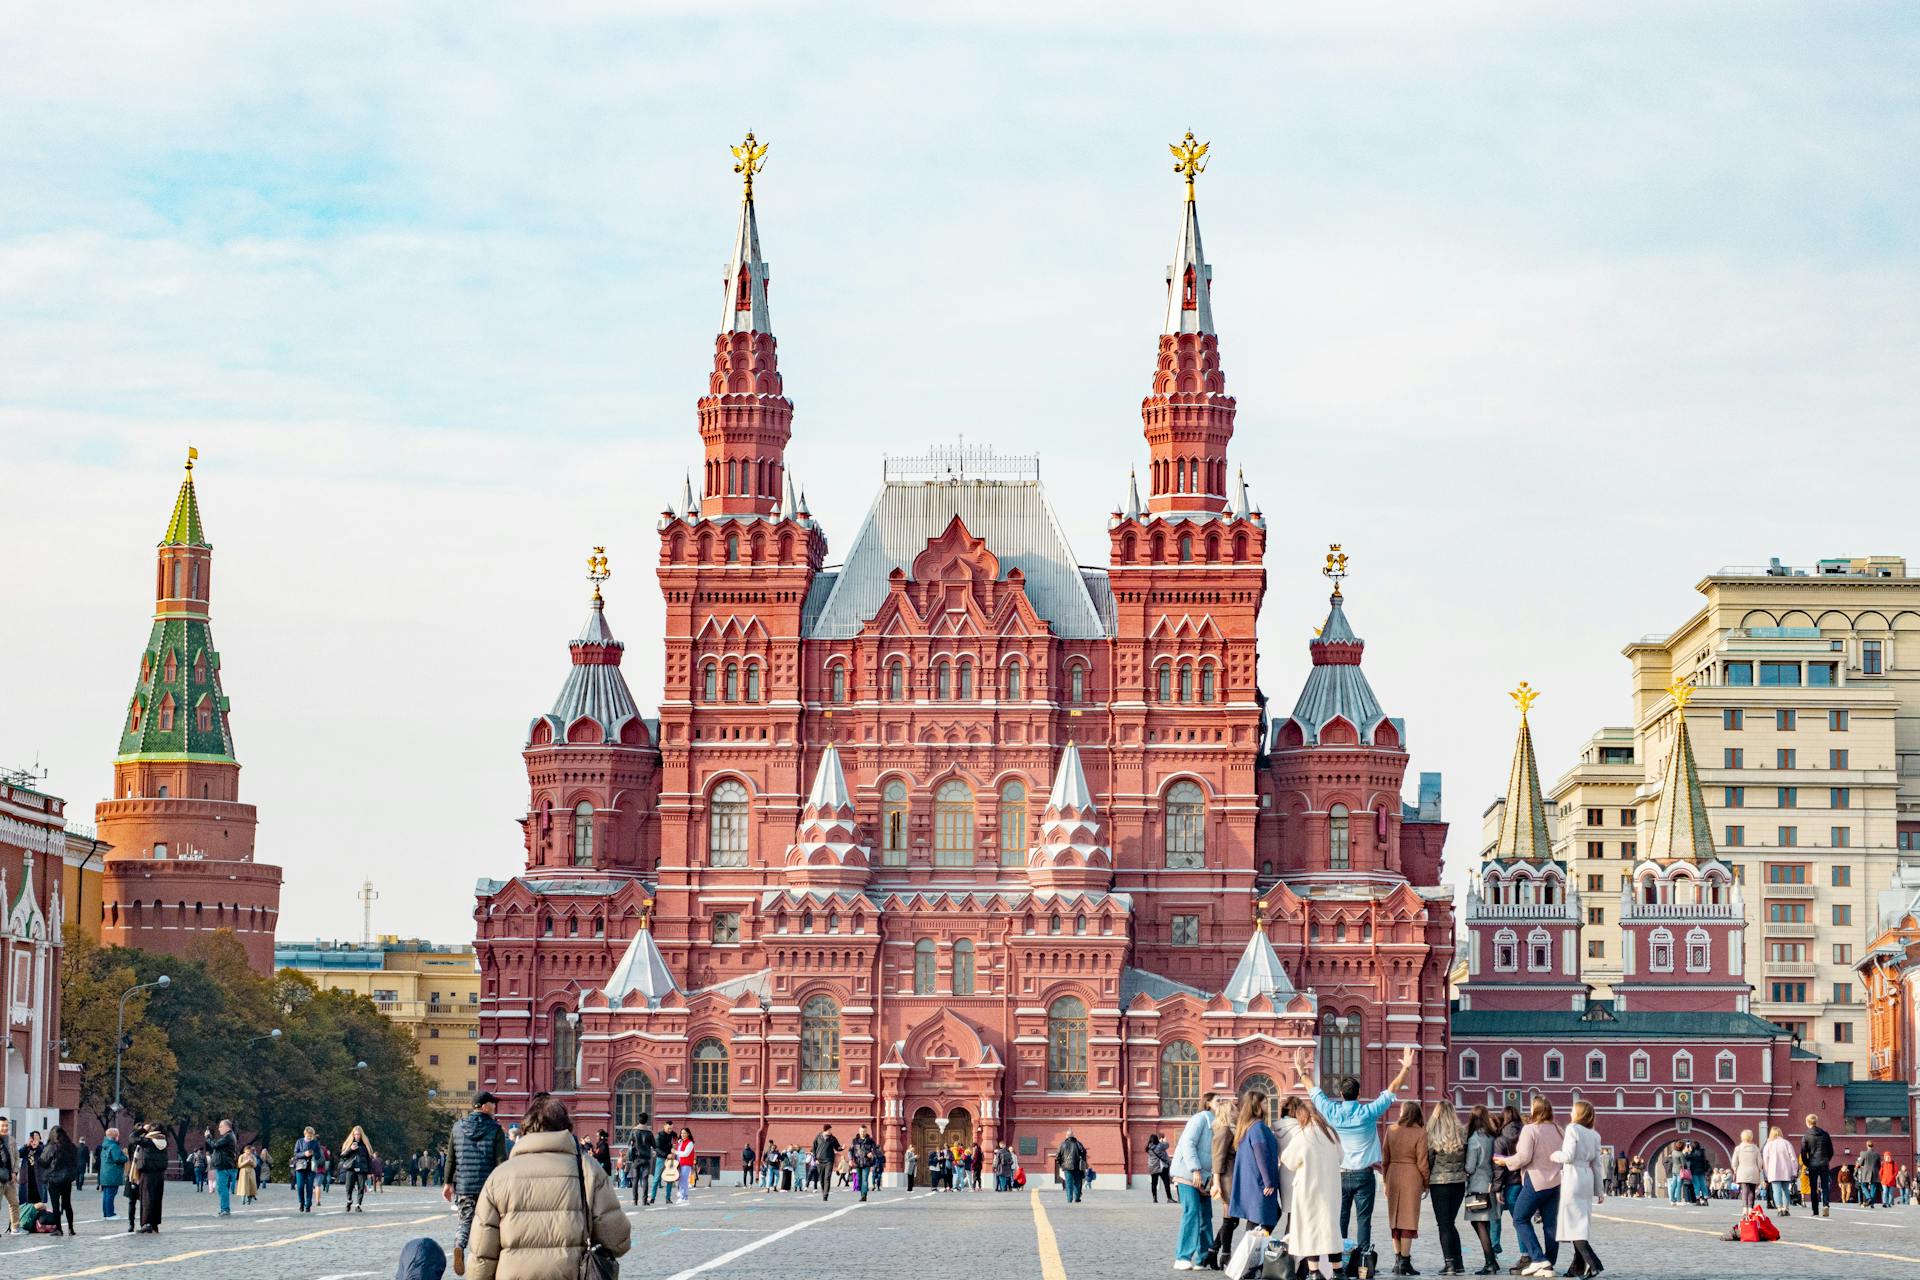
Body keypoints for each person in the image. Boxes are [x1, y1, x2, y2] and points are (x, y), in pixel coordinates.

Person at [465, 1096, 631, 1280]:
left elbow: (481, 1254)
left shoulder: (499, 1176)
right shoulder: (588, 1170)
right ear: (567, 1128)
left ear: (526, 1129)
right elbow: (618, 1240)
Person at [1298, 1043, 1418, 1276]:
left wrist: (1302, 1070)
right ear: (1359, 1094)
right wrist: (1406, 1069)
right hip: (1364, 1175)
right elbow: (1392, 1090)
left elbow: (1313, 1091)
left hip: (1339, 1175)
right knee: (1364, 1221)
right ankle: (1363, 1264)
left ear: (1341, 1095)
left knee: (1339, 1220)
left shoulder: (1331, 1112)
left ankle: (1338, 1264)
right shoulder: (1368, 1112)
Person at [1493, 1098, 1563, 1279]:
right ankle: (1549, 1263)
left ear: (1536, 1110)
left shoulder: (1530, 1129)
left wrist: (1504, 1161)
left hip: (1536, 1181)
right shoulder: (1558, 1129)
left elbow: (1523, 1157)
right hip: (1556, 1183)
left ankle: (1538, 1258)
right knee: (1550, 1224)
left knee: (1520, 1218)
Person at [1280, 1093, 1344, 1280]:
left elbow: (1289, 1160)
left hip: (1307, 1190)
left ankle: (1314, 1271)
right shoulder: (1330, 1132)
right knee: (1330, 1229)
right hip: (1330, 1190)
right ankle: (1338, 1271)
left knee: (1310, 1230)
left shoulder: (1304, 1135)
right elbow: (1341, 1157)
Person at [445, 1092, 510, 1276]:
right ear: (483, 1107)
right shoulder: (495, 1129)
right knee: (487, 1223)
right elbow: (500, 1160)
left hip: (464, 1184)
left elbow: (451, 1158)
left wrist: (447, 1183)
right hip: (488, 1187)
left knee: (465, 1220)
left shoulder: (457, 1127)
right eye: (492, 1103)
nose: (495, 1107)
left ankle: (459, 1245)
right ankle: (481, 1258)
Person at [1549, 1101, 1605, 1279]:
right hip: (1586, 1178)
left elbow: (1568, 1156)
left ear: (1579, 1113)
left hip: (1573, 1176)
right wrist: (1600, 1191)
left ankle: (1593, 1263)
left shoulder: (1573, 1129)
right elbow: (1597, 1165)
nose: (1570, 1112)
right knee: (1580, 1221)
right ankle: (1576, 1267)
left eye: (1573, 1110)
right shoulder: (1594, 1135)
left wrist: (1554, 1155)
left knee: (1574, 1224)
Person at [1229, 1089, 1285, 1264]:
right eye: (1265, 1102)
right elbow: (1261, 1154)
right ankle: (1248, 1260)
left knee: (1256, 1221)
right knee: (1261, 1219)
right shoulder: (1259, 1127)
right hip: (1260, 1182)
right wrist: (1268, 1181)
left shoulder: (1248, 1126)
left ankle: (1249, 1259)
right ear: (1257, 1105)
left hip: (1252, 1181)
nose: (1268, 1105)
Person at [1170, 1091, 1217, 1271]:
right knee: (1192, 1212)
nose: (1221, 1103)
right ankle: (1182, 1256)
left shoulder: (1217, 1123)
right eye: (1217, 1101)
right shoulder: (1199, 1119)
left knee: (1206, 1216)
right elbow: (1188, 1143)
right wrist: (1195, 1169)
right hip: (1188, 1174)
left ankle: (1202, 1258)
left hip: (1204, 1178)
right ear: (1208, 1104)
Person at [1382, 1102, 1430, 1276]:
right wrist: (1426, 1183)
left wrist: (1385, 1180)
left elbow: (1385, 1157)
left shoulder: (1391, 1130)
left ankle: (1397, 1260)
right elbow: (1422, 1162)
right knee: (1409, 1220)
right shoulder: (1421, 1132)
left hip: (1393, 1173)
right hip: (1412, 1175)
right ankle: (1405, 1261)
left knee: (1395, 1219)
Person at [1426, 1103, 1468, 1277]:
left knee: (1444, 1225)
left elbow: (1428, 1160)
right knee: (1450, 1223)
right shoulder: (1462, 1132)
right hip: (1458, 1182)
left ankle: (1449, 1263)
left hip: (1439, 1182)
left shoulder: (1432, 1134)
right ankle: (1458, 1263)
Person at [1462, 1106, 1500, 1276]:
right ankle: (1492, 1260)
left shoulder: (1475, 1138)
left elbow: (1470, 1167)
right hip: (1491, 1183)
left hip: (1478, 1184)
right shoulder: (1493, 1137)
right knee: (1483, 1222)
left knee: (1479, 1222)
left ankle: (1490, 1262)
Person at [1209, 1092, 1241, 1269]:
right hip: (1226, 1178)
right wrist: (1217, 1183)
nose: (1237, 1110)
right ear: (1228, 1112)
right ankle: (1224, 1255)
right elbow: (1217, 1158)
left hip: (1231, 1176)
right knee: (1230, 1219)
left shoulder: (1230, 1128)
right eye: (1234, 1108)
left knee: (1232, 1219)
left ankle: (1213, 1252)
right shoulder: (1223, 1130)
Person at [1489, 1106, 1523, 1260]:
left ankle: (1493, 1250)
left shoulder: (1500, 1139)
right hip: (1521, 1184)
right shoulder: (1526, 1134)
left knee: (1495, 1218)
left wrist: (1496, 1188)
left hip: (1504, 1185)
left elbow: (1498, 1167)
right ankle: (1525, 1253)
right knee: (1521, 1222)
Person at [37, 1126, 79, 1235]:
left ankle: (59, 1229)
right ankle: (71, 1228)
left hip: (53, 1179)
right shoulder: (71, 1146)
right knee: (67, 1203)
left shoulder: (51, 1147)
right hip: (66, 1179)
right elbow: (75, 1162)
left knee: (55, 1205)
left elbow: (43, 1162)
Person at [131, 1124, 168, 1232]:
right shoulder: (163, 1142)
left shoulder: (148, 1142)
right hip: (160, 1174)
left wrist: (142, 1129)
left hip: (147, 1173)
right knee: (157, 1199)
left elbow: (132, 1138)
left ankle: (146, 1223)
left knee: (146, 1199)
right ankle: (155, 1223)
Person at [203, 1119, 239, 1217]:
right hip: (225, 1165)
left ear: (226, 1127)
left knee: (222, 1188)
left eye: (220, 1127)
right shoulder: (230, 1136)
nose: (219, 1129)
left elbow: (215, 1145)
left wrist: (208, 1137)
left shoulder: (228, 1136)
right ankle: (224, 1208)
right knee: (222, 1188)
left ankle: (225, 1209)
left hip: (223, 1166)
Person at [1800, 1114, 1833, 1219]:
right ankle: (1826, 1205)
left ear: (1807, 1122)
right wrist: (1827, 1160)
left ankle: (1815, 1211)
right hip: (1824, 1163)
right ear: (1816, 1122)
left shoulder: (1806, 1136)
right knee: (1824, 1186)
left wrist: (1807, 1163)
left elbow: (1803, 1153)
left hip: (1812, 1164)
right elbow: (1831, 1151)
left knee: (1813, 1188)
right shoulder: (1825, 1134)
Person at [341, 1125, 376, 1212]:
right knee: (348, 1187)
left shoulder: (365, 1145)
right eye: (356, 1134)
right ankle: (349, 1200)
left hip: (362, 1169)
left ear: (361, 1135)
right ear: (353, 1134)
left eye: (359, 1134)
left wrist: (370, 1171)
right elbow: (342, 1156)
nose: (357, 1136)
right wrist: (350, 1149)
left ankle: (358, 1205)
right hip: (351, 1168)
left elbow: (369, 1159)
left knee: (361, 1187)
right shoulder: (349, 1143)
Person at [1761, 1126, 1795, 1215]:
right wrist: (1794, 1171)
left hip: (1773, 1171)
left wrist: (1766, 1173)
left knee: (1776, 1190)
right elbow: (1793, 1158)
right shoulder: (1787, 1143)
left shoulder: (1768, 1145)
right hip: (1786, 1171)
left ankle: (1779, 1209)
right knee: (1786, 1190)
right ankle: (1786, 1208)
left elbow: (1765, 1160)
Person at [97, 1128, 126, 1221]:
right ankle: (110, 1214)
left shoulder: (104, 1145)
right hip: (112, 1174)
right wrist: (125, 1158)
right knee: (111, 1194)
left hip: (105, 1174)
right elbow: (117, 1158)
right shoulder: (114, 1146)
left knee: (106, 1194)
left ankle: (106, 1213)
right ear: (115, 1136)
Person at [1731, 1131, 1763, 1212]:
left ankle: (1744, 1208)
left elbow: (1734, 1161)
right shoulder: (1756, 1148)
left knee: (1744, 1189)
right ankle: (1750, 1207)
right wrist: (1759, 1169)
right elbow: (1760, 1162)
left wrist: (1735, 1169)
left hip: (1742, 1170)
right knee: (1752, 1190)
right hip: (1753, 1171)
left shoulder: (1738, 1148)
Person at [1055, 1128, 1089, 1204]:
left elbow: (1058, 1156)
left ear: (1067, 1136)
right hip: (1077, 1166)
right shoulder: (1078, 1143)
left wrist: (1061, 1164)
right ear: (1073, 1136)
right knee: (1077, 1181)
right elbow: (1083, 1152)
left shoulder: (1062, 1144)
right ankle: (1077, 1198)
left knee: (1068, 1182)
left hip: (1066, 1167)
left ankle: (1069, 1199)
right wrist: (1082, 1160)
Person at [811, 1124, 841, 1203]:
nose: (831, 1131)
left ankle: (825, 1195)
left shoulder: (832, 1138)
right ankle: (823, 1191)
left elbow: (837, 1147)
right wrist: (815, 1159)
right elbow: (814, 1148)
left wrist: (841, 1148)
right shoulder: (818, 1137)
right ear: (826, 1130)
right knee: (821, 1178)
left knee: (827, 1177)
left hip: (829, 1160)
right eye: (830, 1130)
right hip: (819, 1161)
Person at [626, 1123, 654, 1206]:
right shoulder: (649, 1132)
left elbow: (629, 1143)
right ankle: (644, 1201)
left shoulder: (634, 1131)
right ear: (646, 1121)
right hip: (646, 1159)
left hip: (636, 1159)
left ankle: (635, 1201)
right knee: (645, 1179)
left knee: (635, 1180)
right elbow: (654, 1145)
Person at [0, 1117, 17, 1234]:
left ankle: (15, 1227)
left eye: (6, 1125)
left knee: (15, 1203)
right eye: (2, 1126)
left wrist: (15, 1172)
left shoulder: (11, 1140)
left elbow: (16, 1157)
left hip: (9, 1179)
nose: (5, 1128)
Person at [1147, 1133, 1174, 1204]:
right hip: (1161, 1167)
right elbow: (1167, 1145)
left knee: (1154, 1183)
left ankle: (1154, 1198)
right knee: (1166, 1183)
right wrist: (1163, 1141)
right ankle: (1169, 1198)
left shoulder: (1148, 1148)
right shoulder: (1160, 1146)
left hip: (1152, 1167)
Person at [673, 1128, 696, 1205]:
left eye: (685, 1133)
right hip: (678, 1163)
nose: (683, 1134)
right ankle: (682, 1195)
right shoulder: (680, 1142)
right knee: (679, 1180)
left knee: (683, 1180)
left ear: (688, 1134)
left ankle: (684, 1197)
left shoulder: (690, 1143)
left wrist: (675, 1152)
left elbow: (686, 1154)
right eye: (682, 1133)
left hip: (686, 1163)